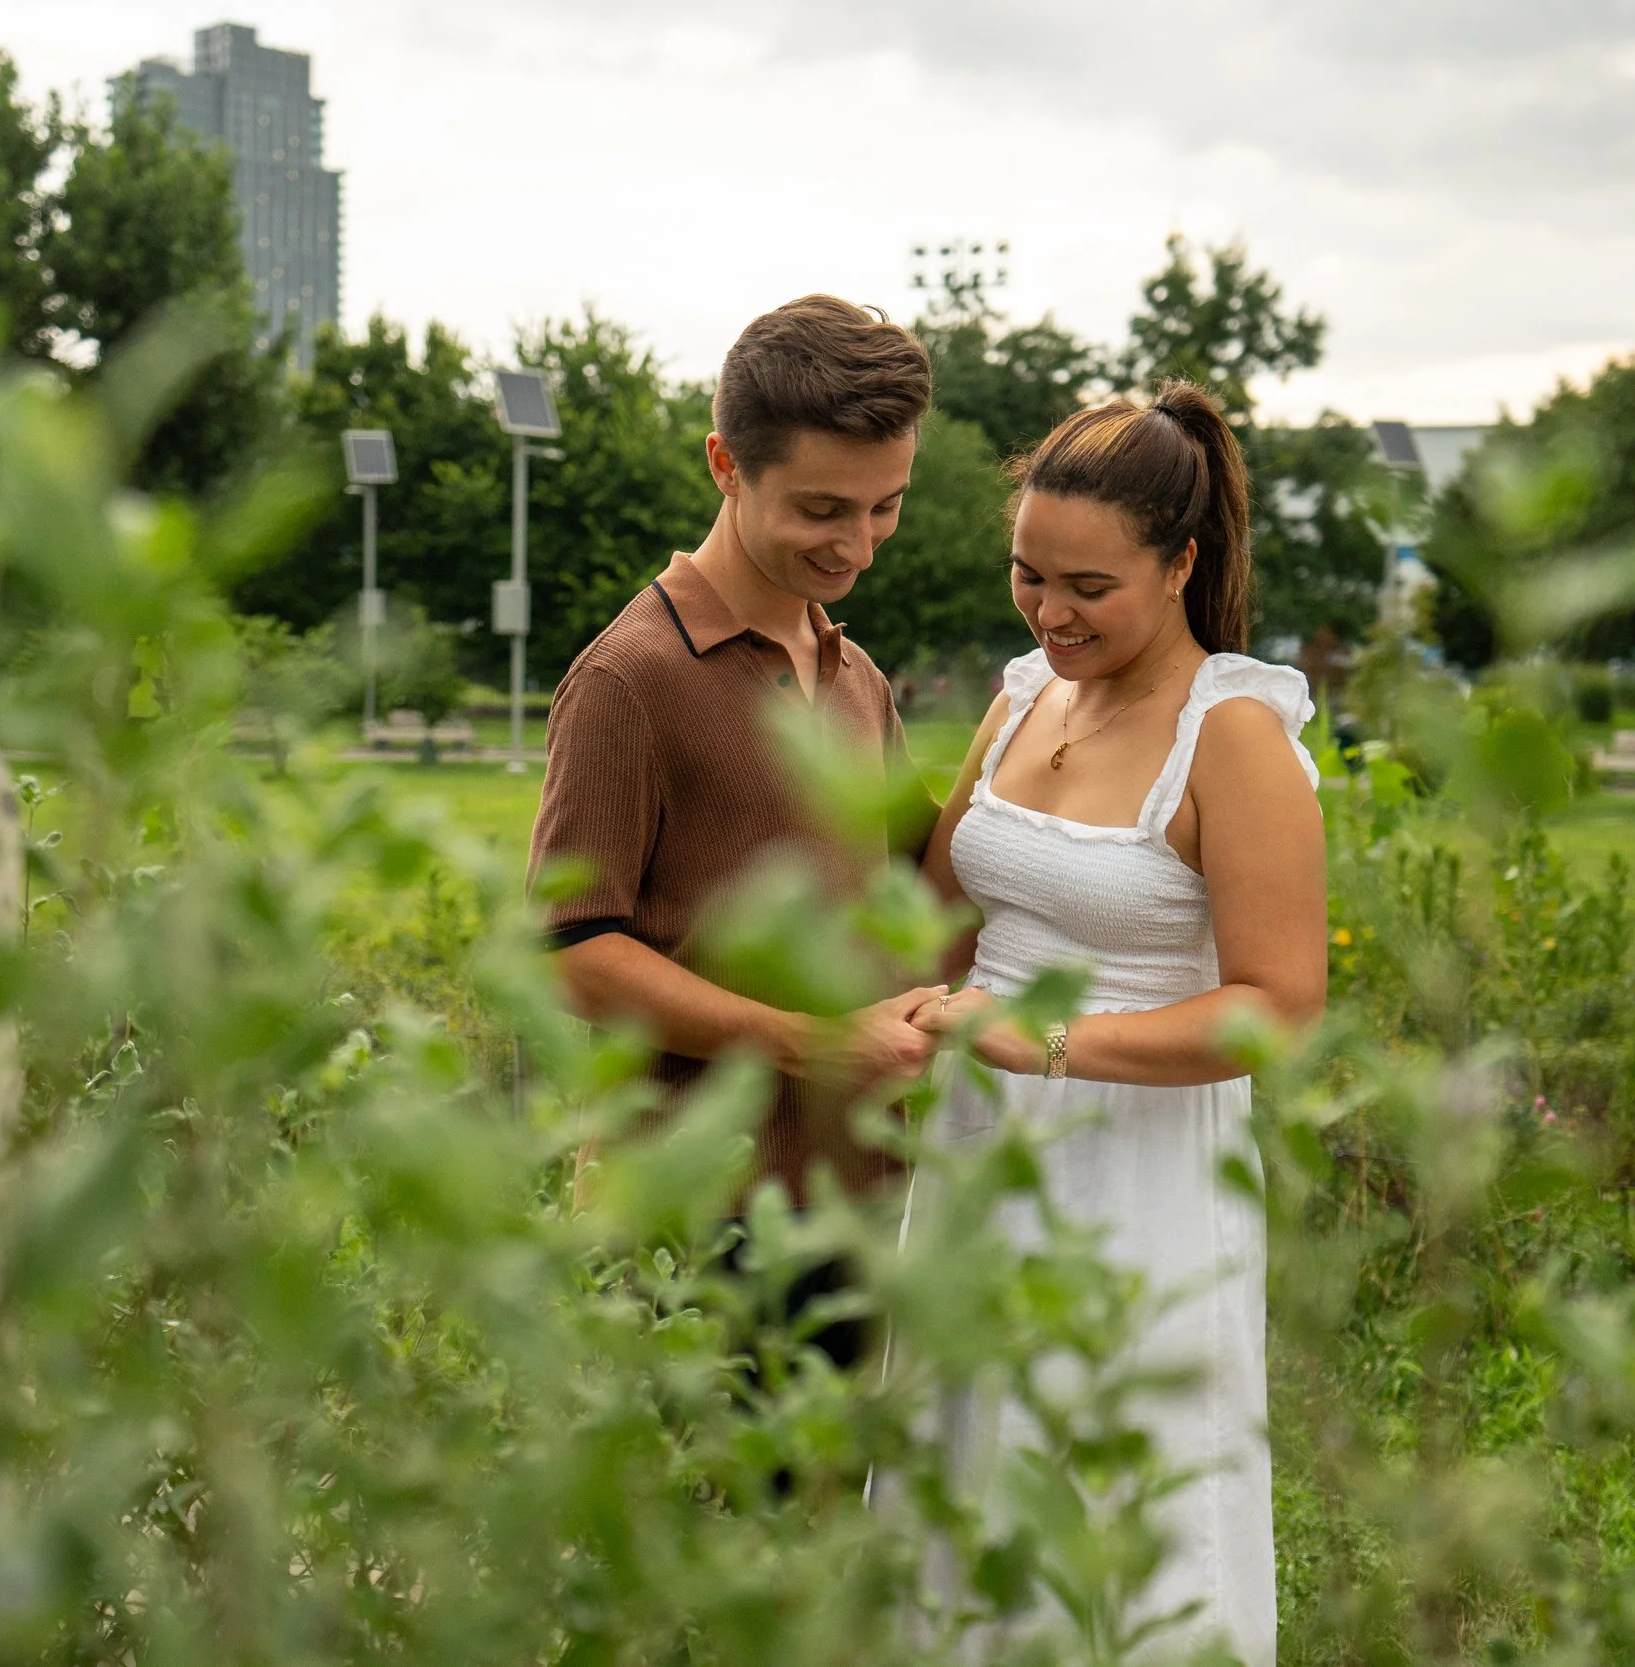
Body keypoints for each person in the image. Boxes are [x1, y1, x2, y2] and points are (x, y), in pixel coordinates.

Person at [906, 382, 1328, 1666]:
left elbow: (1277, 1009)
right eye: (1028, 574)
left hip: (1138, 1164)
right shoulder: (1022, 693)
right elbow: (935, 904)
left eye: (1088, 586)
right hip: (982, 1142)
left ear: (1183, 561)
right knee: (966, 1458)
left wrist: (1039, 1041)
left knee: (1113, 1480)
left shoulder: (1234, 735)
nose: (1049, 611)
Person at [528, 295, 945, 1368]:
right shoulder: (628, 679)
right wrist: (816, 1042)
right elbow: (574, 954)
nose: (857, 544)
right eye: (821, 509)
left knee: (837, 1524)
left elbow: (923, 898)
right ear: (724, 461)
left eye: (886, 506)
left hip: (858, 1204)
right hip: (693, 1214)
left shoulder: (856, 675)